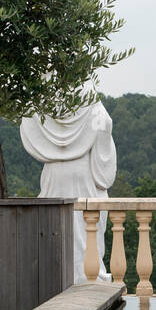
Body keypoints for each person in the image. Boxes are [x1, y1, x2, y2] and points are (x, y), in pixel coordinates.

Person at [20, 100, 117, 283]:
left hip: (55, 176)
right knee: (83, 233)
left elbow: (29, 123)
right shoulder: (95, 110)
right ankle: (84, 278)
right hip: (84, 175)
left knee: (59, 232)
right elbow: (104, 175)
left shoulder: (43, 110)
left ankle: (61, 278)